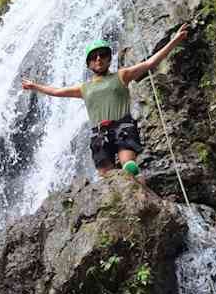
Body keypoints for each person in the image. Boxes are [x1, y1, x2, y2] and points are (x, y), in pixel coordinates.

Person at [21, 24, 189, 179]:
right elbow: (56, 91)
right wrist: (35, 86)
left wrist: (174, 41)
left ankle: (144, 199)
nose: (99, 59)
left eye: (103, 55)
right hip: (99, 134)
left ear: (109, 59)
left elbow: (150, 62)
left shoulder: (121, 75)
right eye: (94, 57)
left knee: (129, 167)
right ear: (88, 64)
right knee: (106, 178)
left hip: (123, 127)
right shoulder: (83, 88)